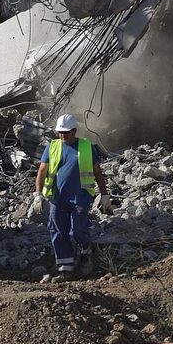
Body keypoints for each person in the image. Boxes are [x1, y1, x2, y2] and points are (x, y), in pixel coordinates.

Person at [34, 113, 110, 276]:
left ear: (74, 131)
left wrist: (104, 195)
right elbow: (42, 170)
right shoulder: (52, 147)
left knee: (78, 230)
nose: (63, 135)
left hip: (80, 197)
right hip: (57, 197)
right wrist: (38, 194)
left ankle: (85, 252)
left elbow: (97, 172)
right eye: (60, 132)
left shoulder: (86, 147)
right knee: (58, 230)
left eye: (66, 132)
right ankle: (65, 265)